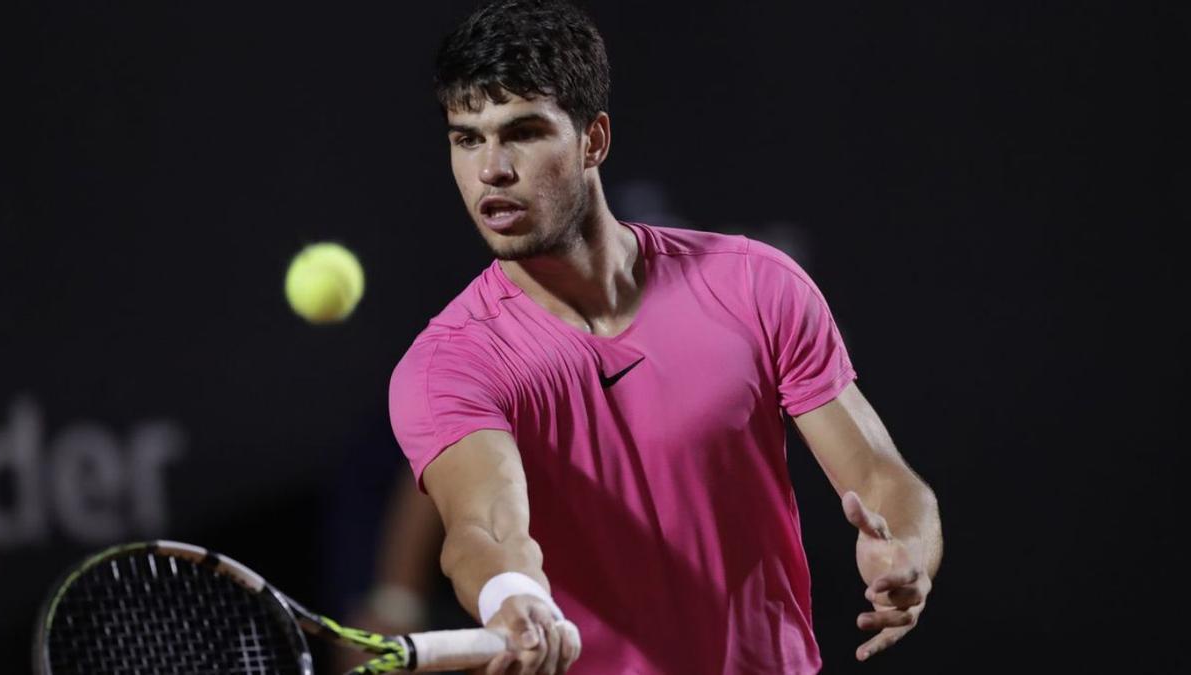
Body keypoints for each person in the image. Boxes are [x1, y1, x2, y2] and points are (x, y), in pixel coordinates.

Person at [387, 1, 943, 673]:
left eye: (523, 132)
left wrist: (906, 550)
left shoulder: (756, 286)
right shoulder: (449, 363)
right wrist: (513, 592)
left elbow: (883, 477)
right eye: (466, 138)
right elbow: (484, 526)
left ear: (593, 140)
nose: (491, 170)